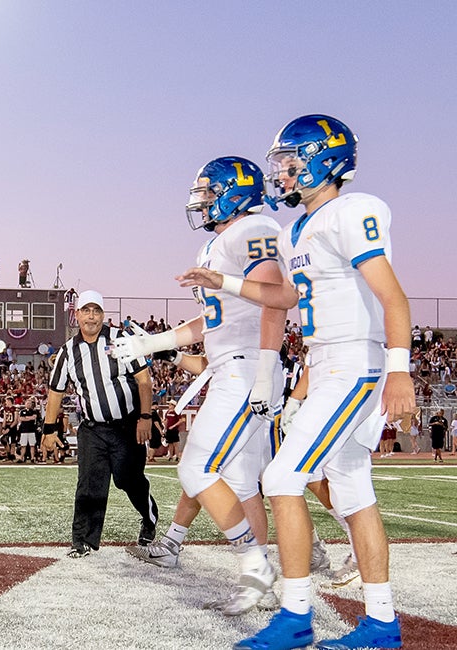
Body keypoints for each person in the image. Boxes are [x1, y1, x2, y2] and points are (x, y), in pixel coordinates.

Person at [179, 115, 411, 649]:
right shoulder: (299, 229)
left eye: (290, 162)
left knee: (283, 477)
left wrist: (400, 369)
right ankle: (381, 623)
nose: (280, 173)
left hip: (354, 362)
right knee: (353, 491)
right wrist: (226, 282)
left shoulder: (351, 212)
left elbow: (393, 297)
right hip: (326, 361)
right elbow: (287, 299)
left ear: (323, 161)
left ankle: (295, 614)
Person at [112, 156, 284, 615]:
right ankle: (259, 578)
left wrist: (266, 371)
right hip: (236, 363)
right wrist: (154, 341)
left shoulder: (253, 229)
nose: (201, 201)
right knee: (243, 482)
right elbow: (212, 320)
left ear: (233, 191)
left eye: (209, 192)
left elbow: (274, 301)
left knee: (196, 470)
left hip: (246, 367)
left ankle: (256, 566)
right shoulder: (221, 243)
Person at [45, 290, 158, 558]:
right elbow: (55, 392)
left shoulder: (121, 339)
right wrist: (49, 429)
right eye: (86, 310)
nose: (91, 316)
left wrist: (145, 418)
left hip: (126, 425)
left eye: (96, 310)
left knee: (127, 480)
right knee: (88, 484)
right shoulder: (67, 352)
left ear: (103, 315)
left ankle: (149, 516)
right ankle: (81, 540)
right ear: (77, 315)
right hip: (93, 428)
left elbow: (144, 380)